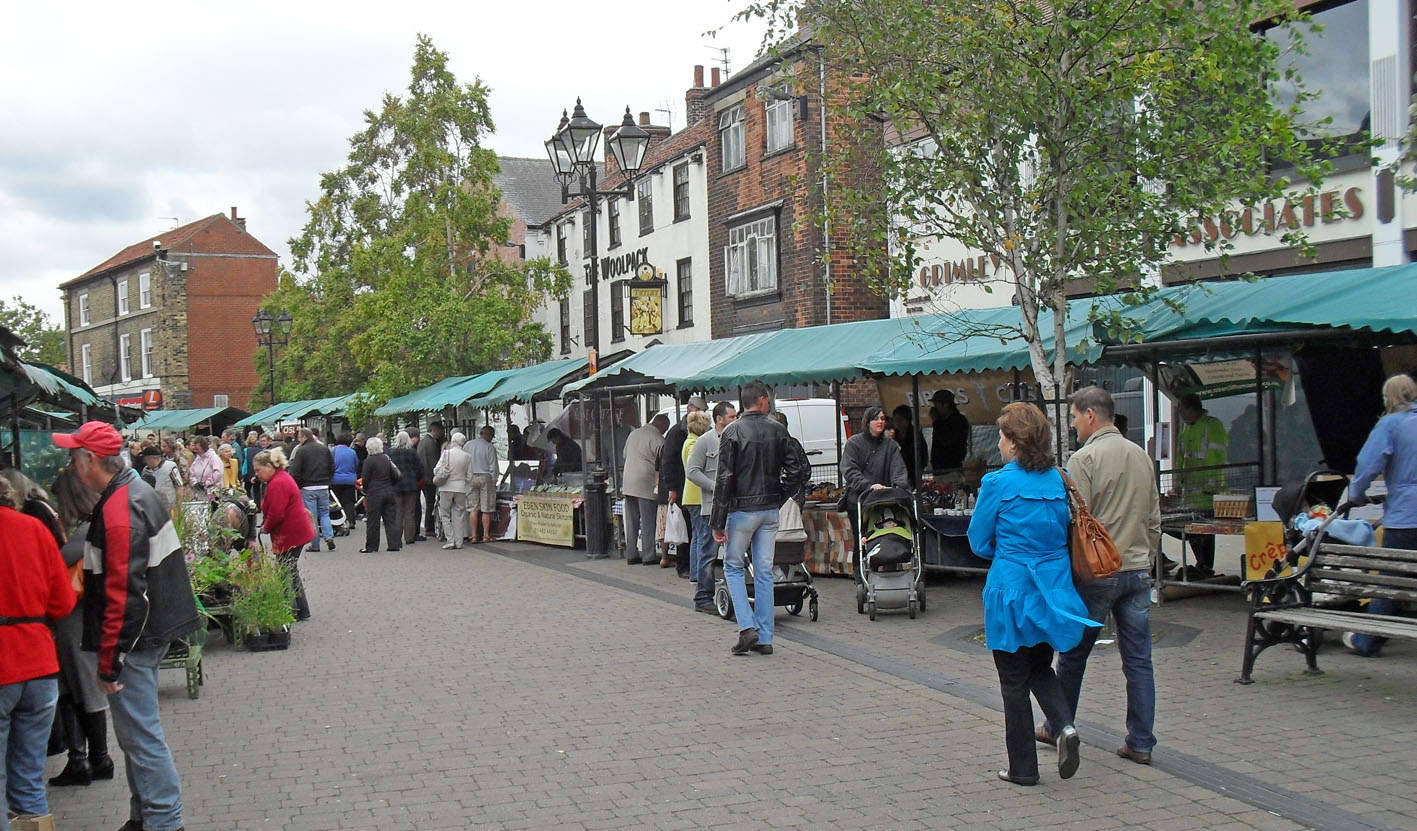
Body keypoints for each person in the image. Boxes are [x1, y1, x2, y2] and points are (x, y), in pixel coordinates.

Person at [54, 420, 197, 831]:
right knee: (138, 733)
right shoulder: (132, 493)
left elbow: (122, 592)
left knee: (140, 735)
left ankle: (164, 821)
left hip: (135, 639)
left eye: (72, 457)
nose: (69, 467)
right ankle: (147, 815)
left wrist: (111, 657)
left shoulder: (120, 506)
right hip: (148, 633)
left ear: (89, 461)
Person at [966, 402, 1094, 786]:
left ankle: (1023, 768)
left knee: (1013, 680)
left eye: (1003, 437)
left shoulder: (997, 483)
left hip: (1011, 589)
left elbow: (977, 540)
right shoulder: (1059, 479)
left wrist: (1005, 554)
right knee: (1040, 664)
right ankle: (1064, 725)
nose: (1001, 444)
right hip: (1051, 590)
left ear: (1015, 443)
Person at [1038, 386, 1159, 766]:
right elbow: (1154, 518)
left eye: (1074, 416)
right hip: (1137, 568)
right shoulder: (1141, 455)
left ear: (1091, 415)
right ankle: (1141, 741)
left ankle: (1060, 726)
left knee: (1073, 655)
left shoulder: (1084, 459)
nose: (1073, 424)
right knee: (1138, 660)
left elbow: (1075, 520)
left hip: (1098, 572)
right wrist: (1147, 555)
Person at [1, 475, 77, 827]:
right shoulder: (34, 529)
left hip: (4, 666)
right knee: (29, 779)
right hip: (39, 662)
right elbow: (62, 602)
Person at [711, 381, 807, 656]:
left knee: (733, 567)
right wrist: (779, 496)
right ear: (762, 400)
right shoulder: (778, 430)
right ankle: (765, 636)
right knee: (764, 572)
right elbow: (797, 470)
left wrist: (717, 521)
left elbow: (724, 477)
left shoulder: (731, 431)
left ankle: (746, 627)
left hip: (741, 510)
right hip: (768, 508)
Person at [46, 468, 114, 789]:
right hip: (87, 619)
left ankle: (85, 759)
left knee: (78, 688)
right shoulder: (96, 526)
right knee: (79, 687)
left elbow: (60, 574)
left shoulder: (80, 535)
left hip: (75, 621)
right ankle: (95, 757)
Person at [1342, 374, 1417, 657]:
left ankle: (1369, 640)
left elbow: (1367, 464)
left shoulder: (1390, 424)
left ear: (1389, 398)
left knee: (1391, 577)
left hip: (1406, 515)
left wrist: (1355, 495)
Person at [252, 448, 314, 622]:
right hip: (294, 532)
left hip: (291, 533)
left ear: (270, 466)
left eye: (258, 470)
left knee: (286, 571)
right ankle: (299, 609)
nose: (257, 474)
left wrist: (266, 527)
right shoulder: (280, 479)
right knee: (288, 570)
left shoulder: (278, 483)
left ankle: (293, 609)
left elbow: (277, 513)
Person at [687, 402, 737, 611]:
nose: (735, 420)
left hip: (734, 506)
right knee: (709, 552)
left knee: (735, 553)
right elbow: (692, 471)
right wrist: (714, 487)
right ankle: (703, 597)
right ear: (720, 419)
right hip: (710, 507)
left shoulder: (736, 438)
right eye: (732, 417)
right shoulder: (704, 441)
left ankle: (734, 594)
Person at [1174, 393, 1228, 579]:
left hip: (1207, 490)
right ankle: (1202, 565)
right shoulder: (1186, 428)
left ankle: (1205, 566)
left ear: (1191, 408)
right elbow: (1182, 456)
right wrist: (1178, 481)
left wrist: (1210, 483)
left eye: (1182, 409)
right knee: (1194, 530)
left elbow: (1217, 456)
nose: (1180, 412)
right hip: (1191, 490)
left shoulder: (1211, 425)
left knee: (1205, 530)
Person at [841, 406, 910, 543]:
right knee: (861, 541)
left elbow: (898, 468)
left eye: (882, 418)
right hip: (859, 499)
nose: (880, 422)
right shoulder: (854, 443)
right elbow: (850, 470)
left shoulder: (891, 445)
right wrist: (869, 486)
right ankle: (859, 564)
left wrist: (898, 487)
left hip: (884, 500)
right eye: (875, 419)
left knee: (890, 537)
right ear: (867, 422)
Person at [657, 398, 706, 571]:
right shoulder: (678, 432)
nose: (704, 414)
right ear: (690, 411)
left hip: (689, 488)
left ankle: (692, 567)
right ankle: (684, 566)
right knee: (686, 531)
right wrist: (671, 488)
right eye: (701, 410)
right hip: (681, 487)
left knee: (692, 531)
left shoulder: (695, 433)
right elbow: (668, 461)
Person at [622, 414, 669, 566]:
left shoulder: (634, 433)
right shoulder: (657, 438)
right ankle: (648, 556)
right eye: (665, 429)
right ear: (661, 425)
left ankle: (631, 554)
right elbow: (662, 462)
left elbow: (624, 455)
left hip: (628, 482)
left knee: (631, 522)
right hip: (645, 483)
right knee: (648, 521)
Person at [287, 427, 336, 554]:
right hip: (323, 486)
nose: (298, 440)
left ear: (304, 437)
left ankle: (315, 545)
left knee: (312, 516)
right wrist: (328, 480)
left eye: (299, 437)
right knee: (325, 513)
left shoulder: (301, 451)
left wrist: (298, 485)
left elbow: (296, 471)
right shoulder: (324, 448)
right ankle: (329, 537)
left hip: (308, 487)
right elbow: (332, 466)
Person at [679, 411, 712, 582]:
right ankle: (701, 575)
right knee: (703, 537)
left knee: (697, 536)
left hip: (691, 496)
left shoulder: (688, 442)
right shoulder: (694, 444)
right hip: (697, 496)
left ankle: (695, 573)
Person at [358, 437, 402, 553]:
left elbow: (365, 479)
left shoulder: (368, 461)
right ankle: (394, 544)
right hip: (388, 491)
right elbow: (395, 475)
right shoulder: (386, 458)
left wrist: (366, 490)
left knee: (373, 521)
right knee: (390, 519)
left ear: (369, 448)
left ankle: (372, 546)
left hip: (374, 494)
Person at [433, 432, 474, 550]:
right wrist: (464, 484)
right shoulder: (467, 456)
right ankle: (459, 541)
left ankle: (450, 540)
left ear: (453, 441)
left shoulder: (446, 454)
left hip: (446, 487)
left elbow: (436, 470)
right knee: (459, 514)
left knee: (445, 514)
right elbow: (470, 476)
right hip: (461, 488)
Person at [388, 431, 423, 548]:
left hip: (396, 485)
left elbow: (389, 469)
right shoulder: (412, 452)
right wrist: (415, 478)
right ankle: (409, 537)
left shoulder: (391, 452)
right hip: (411, 485)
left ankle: (397, 537)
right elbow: (419, 468)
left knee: (398, 512)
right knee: (410, 512)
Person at [467, 426, 499, 544]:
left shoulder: (468, 445)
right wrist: (494, 481)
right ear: (489, 435)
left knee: (473, 508)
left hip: (471, 477)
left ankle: (474, 535)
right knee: (486, 508)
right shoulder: (489, 447)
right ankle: (486, 535)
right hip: (485, 477)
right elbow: (493, 466)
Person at [929, 389, 971, 472]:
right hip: (938, 468)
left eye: (936, 405)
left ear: (945, 405)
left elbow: (947, 440)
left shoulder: (958, 421)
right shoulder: (941, 421)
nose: (934, 408)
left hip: (951, 468)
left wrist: (936, 422)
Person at [417, 421, 445, 541]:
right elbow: (434, 463)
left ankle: (429, 527)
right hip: (429, 479)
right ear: (435, 431)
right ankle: (429, 528)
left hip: (423, 478)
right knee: (430, 503)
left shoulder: (423, 441)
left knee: (429, 502)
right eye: (440, 432)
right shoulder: (431, 444)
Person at [891, 404, 929, 487]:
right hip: (898, 473)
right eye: (895, 420)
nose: (898, 423)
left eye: (900, 420)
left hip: (914, 473)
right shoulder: (894, 435)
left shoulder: (915, 435)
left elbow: (923, 455)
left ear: (908, 420)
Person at [331, 434, 360, 533]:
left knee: (337, 501)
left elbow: (329, 464)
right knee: (349, 501)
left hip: (335, 479)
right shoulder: (352, 452)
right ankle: (351, 521)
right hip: (349, 480)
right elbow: (356, 464)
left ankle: (340, 521)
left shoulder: (333, 451)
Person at [186, 434, 222, 499]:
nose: (196, 451)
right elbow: (191, 473)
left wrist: (206, 484)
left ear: (203, 447)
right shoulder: (197, 459)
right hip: (200, 493)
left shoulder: (214, 458)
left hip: (214, 493)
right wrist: (195, 483)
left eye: (197, 449)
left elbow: (218, 473)